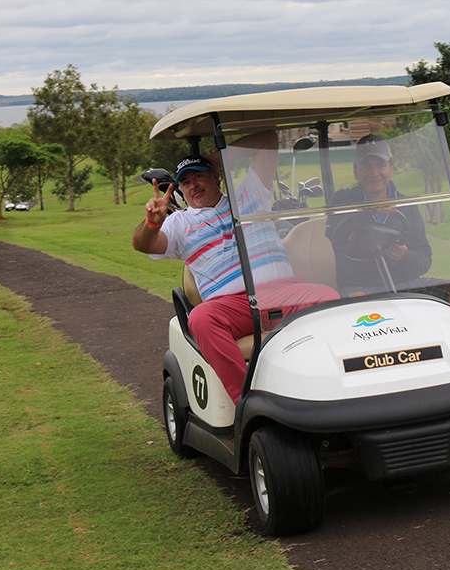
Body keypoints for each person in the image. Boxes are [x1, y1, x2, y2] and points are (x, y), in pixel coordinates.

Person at [132, 130, 338, 404]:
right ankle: (247, 402)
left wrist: (215, 157)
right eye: (185, 182)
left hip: (282, 294)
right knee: (201, 319)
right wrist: (152, 223)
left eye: (199, 176)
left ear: (215, 176)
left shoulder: (249, 196)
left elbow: (267, 139)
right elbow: (143, 244)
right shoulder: (180, 223)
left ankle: (331, 387)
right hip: (234, 307)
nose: (193, 186)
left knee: (330, 299)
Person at [327, 134, 433, 296]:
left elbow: (424, 259)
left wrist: (404, 256)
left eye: (380, 165)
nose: (374, 172)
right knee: (358, 299)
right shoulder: (342, 200)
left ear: (391, 169)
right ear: (356, 171)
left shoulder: (407, 205)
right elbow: (334, 242)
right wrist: (371, 210)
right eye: (366, 166)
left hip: (404, 284)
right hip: (360, 286)